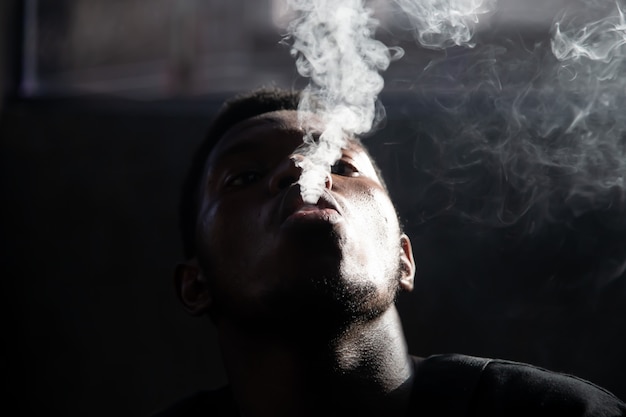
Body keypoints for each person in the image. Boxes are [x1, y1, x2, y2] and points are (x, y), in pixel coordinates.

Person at [156, 88, 626, 417]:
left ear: (403, 257)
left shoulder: (557, 413)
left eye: (340, 164)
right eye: (244, 177)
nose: (302, 170)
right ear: (196, 284)